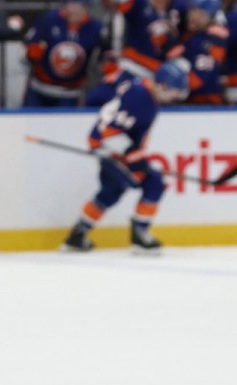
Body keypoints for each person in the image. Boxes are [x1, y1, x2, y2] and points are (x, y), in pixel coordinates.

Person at [63, 59, 190, 255]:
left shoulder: (146, 93)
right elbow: (110, 133)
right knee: (153, 183)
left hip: (111, 148)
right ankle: (140, 234)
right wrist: (132, 155)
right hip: (111, 149)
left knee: (111, 192)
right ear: (164, 85)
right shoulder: (141, 97)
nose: (175, 96)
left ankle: (78, 235)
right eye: (175, 90)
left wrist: (134, 153)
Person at [22, 0, 106, 107]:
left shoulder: (95, 28)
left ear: (85, 5)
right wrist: (31, 52)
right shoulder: (48, 20)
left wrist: (106, 64)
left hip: (70, 94)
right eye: (67, 3)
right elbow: (30, 47)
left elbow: (103, 58)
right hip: (39, 90)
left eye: (75, 4)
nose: (70, 9)